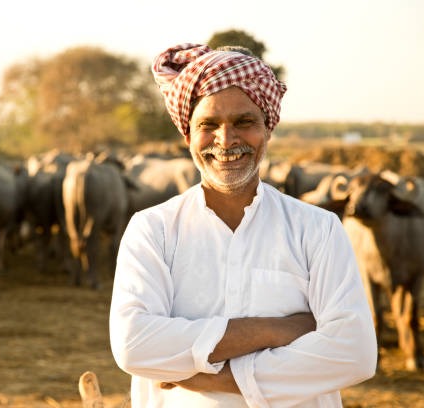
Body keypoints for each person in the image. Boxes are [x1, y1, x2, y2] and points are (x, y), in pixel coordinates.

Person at [109, 43, 377, 407]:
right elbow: (134, 345)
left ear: (268, 129)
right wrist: (279, 329)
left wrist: (212, 377)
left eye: (244, 122)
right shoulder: (152, 231)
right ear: (188, 135)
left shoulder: (319, 229)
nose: (226, 139)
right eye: (208, 125)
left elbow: (354, 353)